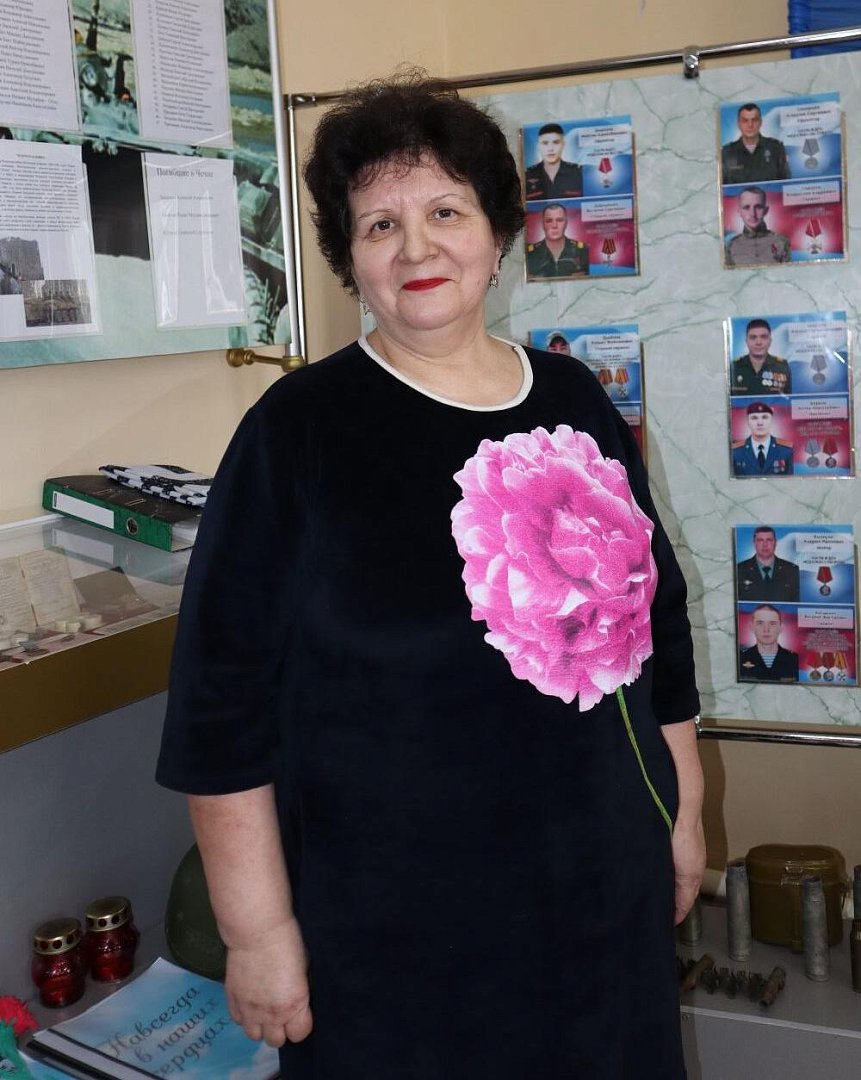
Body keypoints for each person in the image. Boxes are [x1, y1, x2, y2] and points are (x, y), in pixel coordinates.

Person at [156, 72, 703, 1080]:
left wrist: (684, 812)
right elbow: (218, 708)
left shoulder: (575, 397)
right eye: (380, 225)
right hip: (397, 938)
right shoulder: (296, 432)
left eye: (445, 212)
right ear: (348, 258)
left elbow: (652, 626)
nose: (416, 249)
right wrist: (256, 932)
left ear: (497, 235)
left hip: (602, 898)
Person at [721, 102, 791, 184]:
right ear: (738, 124)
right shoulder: (727, 152)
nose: (750, 125)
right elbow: (723, 186)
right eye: (745, 121)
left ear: (760, 122)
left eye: (754, 120)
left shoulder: (776, 148)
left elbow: (786, 182)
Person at [725, 187, 791, 268]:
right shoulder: (731, 246)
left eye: (758, 207)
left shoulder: (782, 242)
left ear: (766, 210)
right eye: (746, 207)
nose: (753, 214)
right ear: (739, 212)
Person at [526, 202, 589, 279]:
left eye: (559, 220)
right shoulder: (530, 254)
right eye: (549, 221)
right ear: (543, 224)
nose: (554, 225)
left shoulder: (583, 251)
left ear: (566, 223)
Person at [737, 526, 799, 602]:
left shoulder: (791, 570)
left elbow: (796, 602)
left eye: (769, 540)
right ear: (754, 543)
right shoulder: (740, 570)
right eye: (760, 540)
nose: (765, 544)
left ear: (775, 542)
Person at [730, 318, 792, 395]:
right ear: (746, 341)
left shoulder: (782, 366)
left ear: (770, 341)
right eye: (753, 337)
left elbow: (787, 399)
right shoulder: (735, 367)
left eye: (763, 337)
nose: (758, 342)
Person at [732, 400, 794, 476]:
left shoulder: (785, 450)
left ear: (771, 420)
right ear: (748, 421)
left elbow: (790, 480)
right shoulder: (736, 451)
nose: (760, 423)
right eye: (754, 418)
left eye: (765, 417)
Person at [739, 604, 799, 682]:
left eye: (772, 623)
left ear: (781, 628)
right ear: (752, 627)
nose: (766, 630)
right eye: (760, 623)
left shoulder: (794, 659)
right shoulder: (740, 658)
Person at [524, 122, 583, 200]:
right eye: (545, 143)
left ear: (563, 145)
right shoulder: (527, 176)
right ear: (539, 146)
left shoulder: (578, 174)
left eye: (556, 142)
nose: (550, 148)